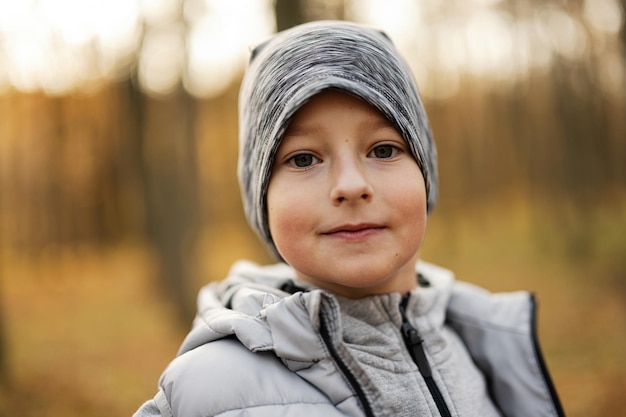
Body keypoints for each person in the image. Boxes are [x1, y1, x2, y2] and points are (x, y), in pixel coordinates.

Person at [133, 20, 565, 417]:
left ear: (425, 175)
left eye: (383, 149)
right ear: (262, 200)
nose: (351, 185)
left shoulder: (486, 351)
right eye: (303, 158)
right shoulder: (203, 394)